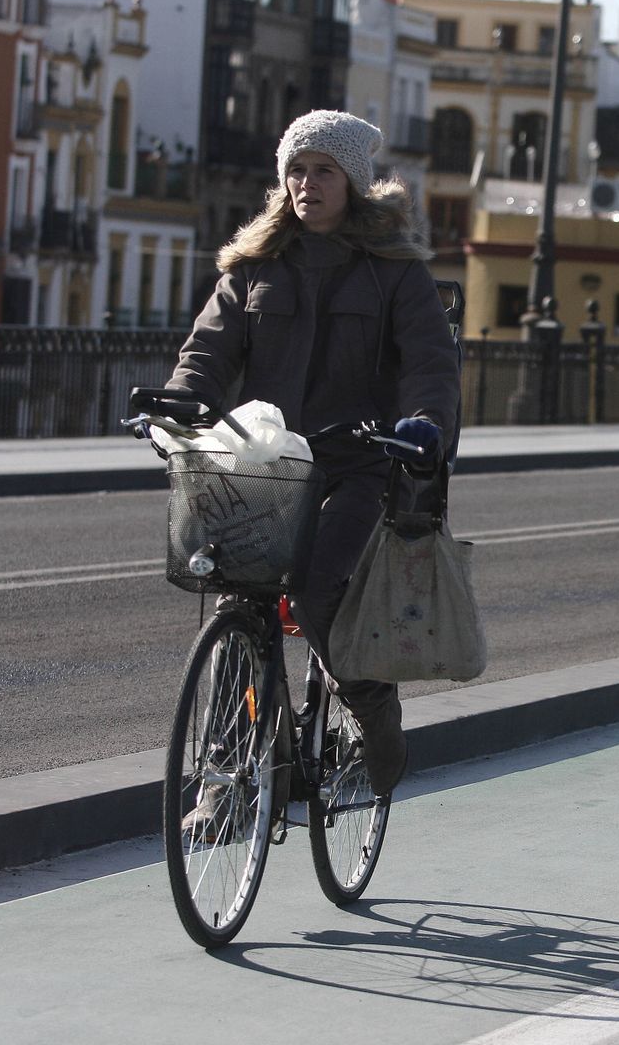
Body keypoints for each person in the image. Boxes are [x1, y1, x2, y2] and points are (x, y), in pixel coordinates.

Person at [166, 109, 460, 799]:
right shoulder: (256, 265)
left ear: (352, 181)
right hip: (267, 466)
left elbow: (429, 364)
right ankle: (226, 778)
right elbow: (208, 350)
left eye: (323, 170)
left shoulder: (394, 272)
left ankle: (371, 709)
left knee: (315, 588)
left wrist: (424, 424)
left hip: (359, 464)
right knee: (237, 596)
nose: (307, 183)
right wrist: (181, 399)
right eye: (296, 170)